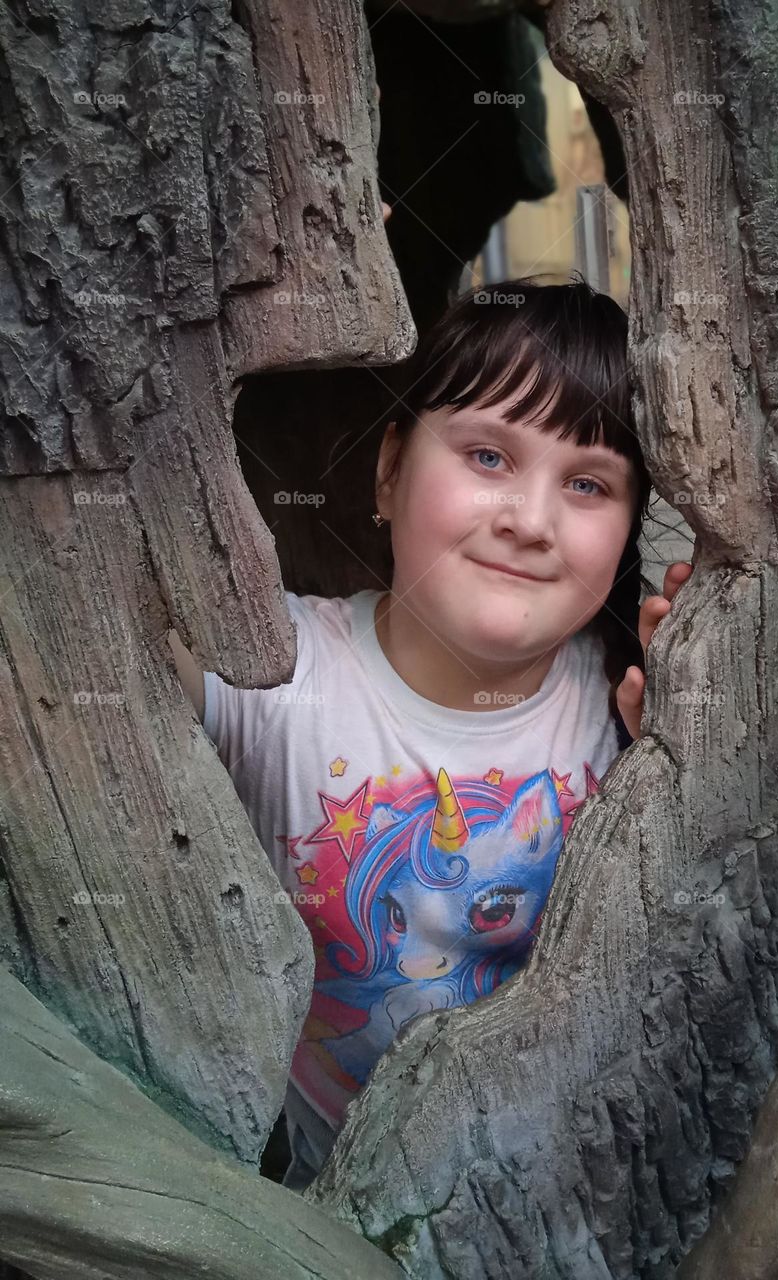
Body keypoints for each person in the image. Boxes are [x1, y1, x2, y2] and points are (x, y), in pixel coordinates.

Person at [169, 274, 692, 1190]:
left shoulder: (627, 707)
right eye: (488, 457)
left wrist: (687, 744)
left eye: (586, 483)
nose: (528, 521)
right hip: (321, 1215)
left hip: (580, 1201)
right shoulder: (272, 670)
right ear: (389, 469)